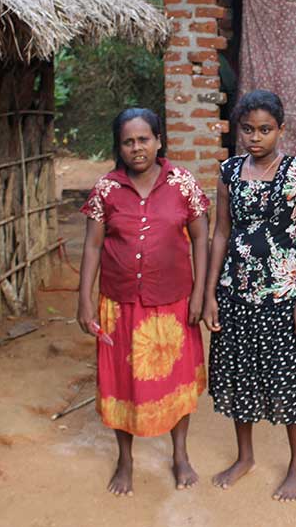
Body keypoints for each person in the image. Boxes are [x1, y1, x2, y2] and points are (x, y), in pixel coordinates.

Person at [76, 108, 211, 497]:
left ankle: (180, 454)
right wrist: (84, 300)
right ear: (119, 147)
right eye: (128, 141)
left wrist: (201, 292)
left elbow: (201, 237)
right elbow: (93, 245)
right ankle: (125, 459)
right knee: (122, 384)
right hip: (120, 305)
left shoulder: (182, 183)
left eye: (144, 139)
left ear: (158, 141)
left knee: (177, 382)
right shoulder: (106, 189)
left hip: (172, 302)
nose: (137, 148)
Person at [201, 90, 296, 501]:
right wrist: (210, 293)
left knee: (291, 381)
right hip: (236, 294)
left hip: (284, 296)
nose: (256, 137)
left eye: (265, 130)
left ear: (281, 130)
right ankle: (245, 456)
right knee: (239, 376)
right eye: (248, 129)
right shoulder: (229, 172)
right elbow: (220, 233)